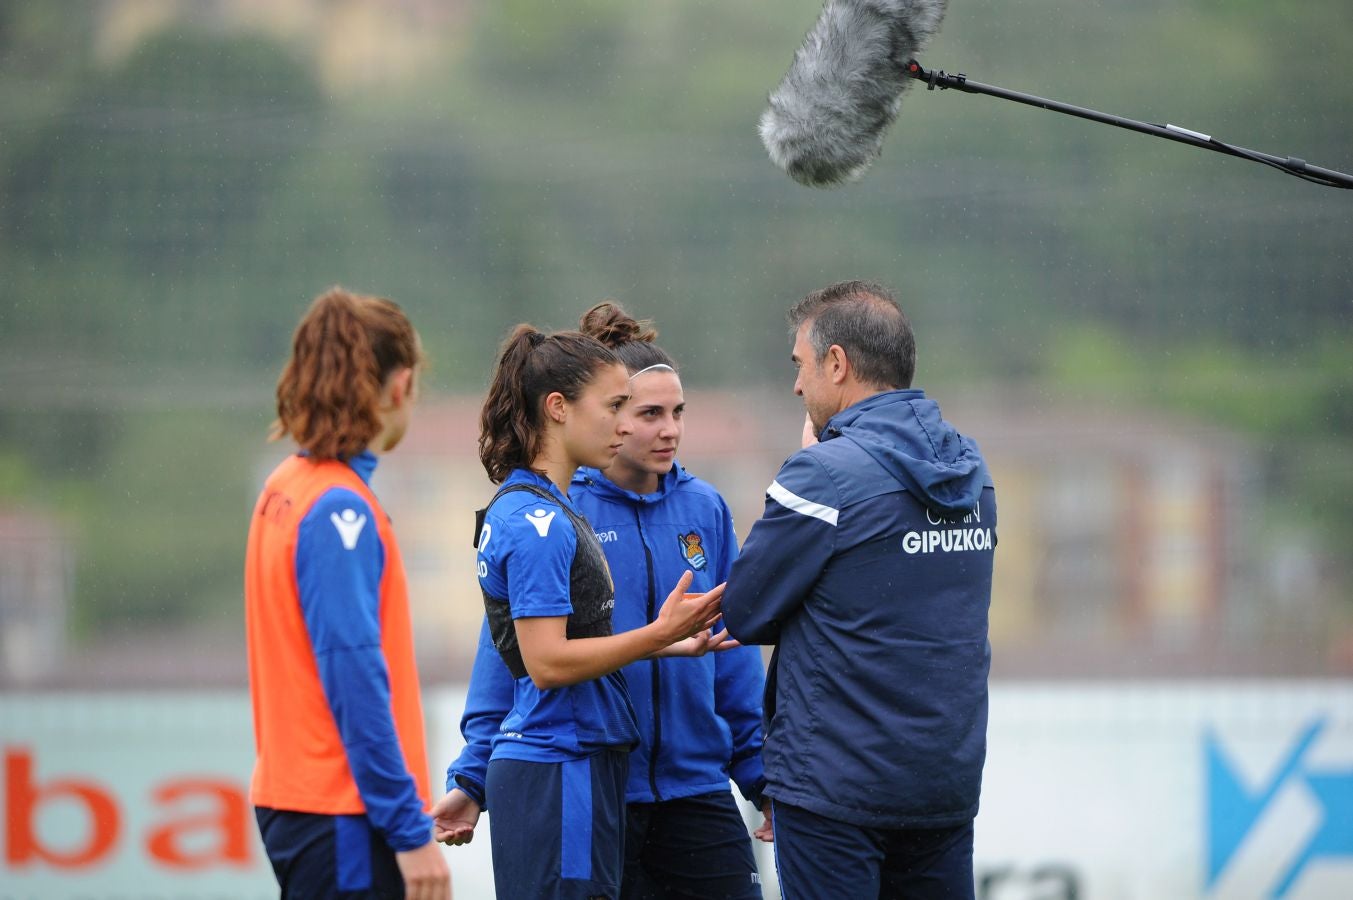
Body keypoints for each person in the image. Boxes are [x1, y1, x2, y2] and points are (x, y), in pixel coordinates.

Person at [437, 302, 771, 899]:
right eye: (644, 412)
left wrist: (759, 775)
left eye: (678, 412)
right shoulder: (557, 514)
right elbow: (512, 656)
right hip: (599, 782)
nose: (669, 429)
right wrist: (473, 776)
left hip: (696, 788)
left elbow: (732, 650)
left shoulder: (705, 508)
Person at [721, 280, 997, 900]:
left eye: (800, 364)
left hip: (836, 790)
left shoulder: (821, 475)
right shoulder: (972, 470)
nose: (797, 386)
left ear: (837, 363)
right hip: (943, 786)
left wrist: (815, 465)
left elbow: (744, 610)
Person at [243, 288, 451, 900]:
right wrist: (409, 831)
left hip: (306, 803)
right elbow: (354, 677)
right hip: (344, 813)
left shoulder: (287, 483)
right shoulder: (341, 510)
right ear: (399, 386)